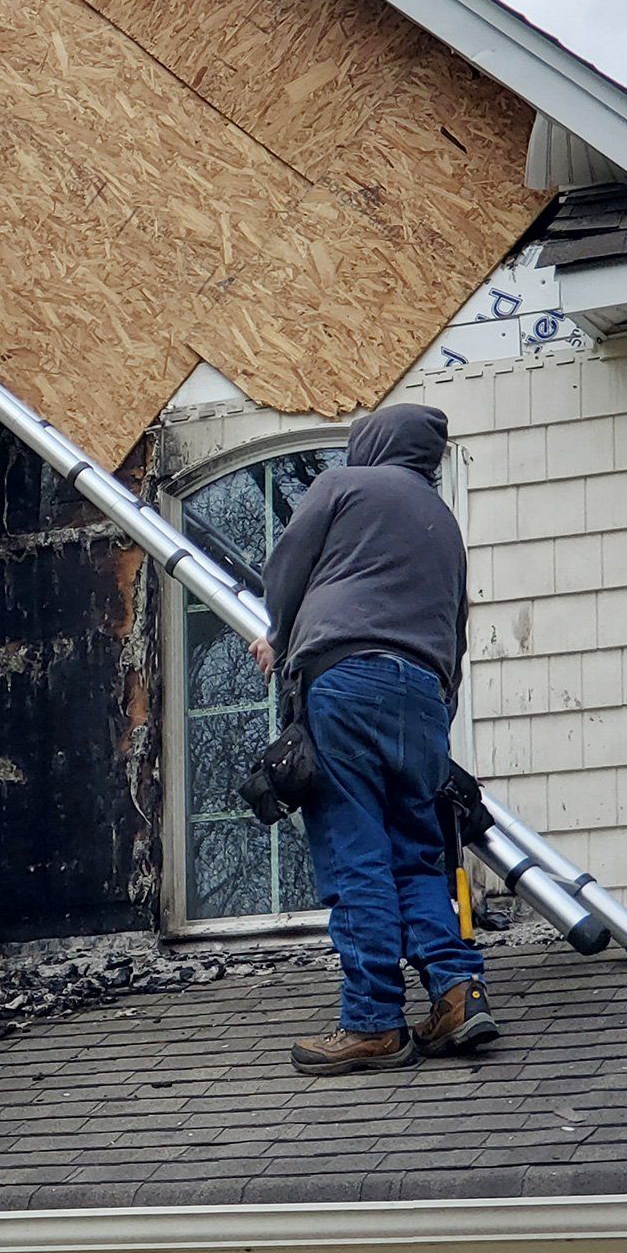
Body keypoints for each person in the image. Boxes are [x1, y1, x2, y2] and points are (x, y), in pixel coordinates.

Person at [249, 404, 498, 1075]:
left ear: (372, 443)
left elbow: (286, 573)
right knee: (418, 854)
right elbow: (457, 628)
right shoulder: (443, 524)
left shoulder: (340, 487)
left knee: (355, 852)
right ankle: (455, 993)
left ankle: (373, 1023)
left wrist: (279, 635)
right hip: (422, 697)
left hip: (346, 682)